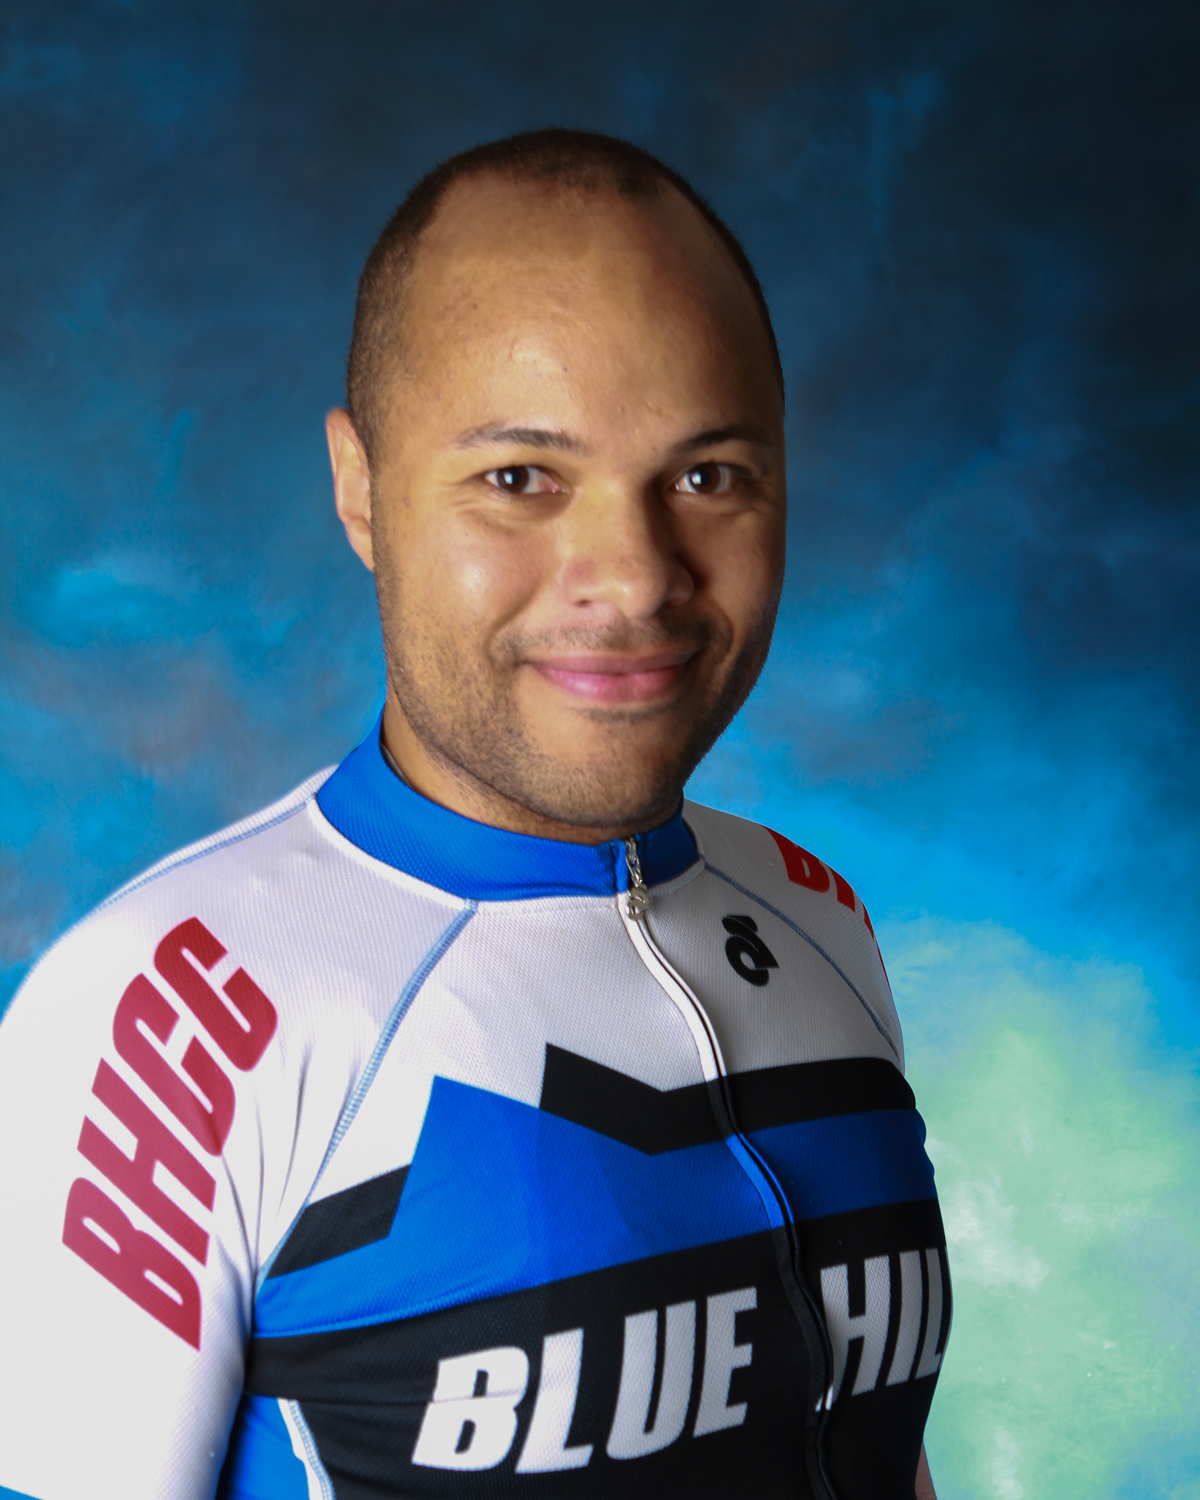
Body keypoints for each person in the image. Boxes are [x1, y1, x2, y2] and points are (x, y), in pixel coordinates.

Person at [0, 130, 948, 1500]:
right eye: (520, 479)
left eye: (706, 476)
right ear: (359, 489)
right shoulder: (161, 1023)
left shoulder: (817, 920)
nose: (635, 576)